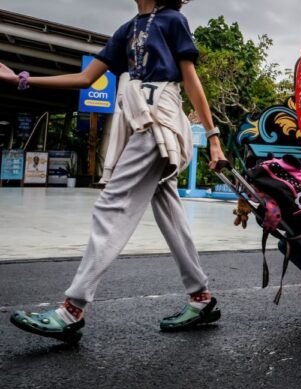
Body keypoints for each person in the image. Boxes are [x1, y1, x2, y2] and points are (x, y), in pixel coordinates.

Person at [0, 0, 227, 341]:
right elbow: (86, 78)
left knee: (112, 206)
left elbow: (191, 80)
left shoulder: (172, 21)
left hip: (157, 121)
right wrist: (23, 80)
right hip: (140, 122)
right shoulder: (127, 29)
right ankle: (201, 298)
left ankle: (71, 310)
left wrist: (213, 137)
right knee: (169, 210)